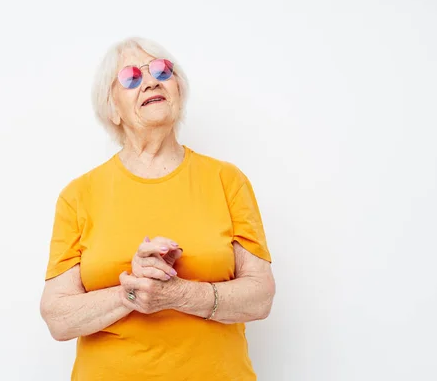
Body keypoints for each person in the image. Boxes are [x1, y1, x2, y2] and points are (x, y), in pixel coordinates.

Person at [40, 36, 276, 380]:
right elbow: (57, 317)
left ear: (178, 89)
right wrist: (132, 291)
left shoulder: (227, 180)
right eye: (131, 77)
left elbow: (260, 297)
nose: (151, 81)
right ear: (112, 109)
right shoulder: (78, 195)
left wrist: (179, 294)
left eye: (163, 71)